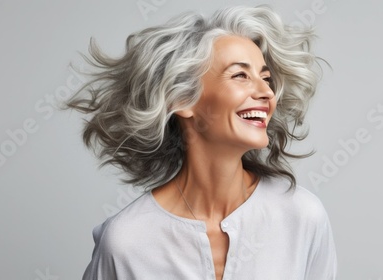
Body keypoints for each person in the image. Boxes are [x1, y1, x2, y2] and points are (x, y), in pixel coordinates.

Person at [67, 5, 337, 280]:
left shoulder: (302, 216)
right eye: (240, 75)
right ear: (182, 99)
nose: (266, 92)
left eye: (265, 78)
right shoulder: (127, 242)